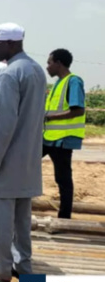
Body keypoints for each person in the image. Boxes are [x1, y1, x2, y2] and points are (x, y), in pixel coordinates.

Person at [0, 23, 47, 282]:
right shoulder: (36, 71)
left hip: (6, 162)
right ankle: (24, 268)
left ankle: (2, 271)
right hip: (28, 162)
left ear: (11, 43)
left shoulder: (9, 74)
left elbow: (4, 124)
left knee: (3, 222)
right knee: (22, 221)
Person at [43, 48, 85, 219]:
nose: (47, 67)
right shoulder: (57, 84)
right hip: (49, 138)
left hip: (63, 139)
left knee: (63, 179)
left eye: (49, 62)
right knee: (24, 161)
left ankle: (64, 217)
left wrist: (50, 117)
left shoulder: (73, 81)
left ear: (59, 63)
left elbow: (78, 110)